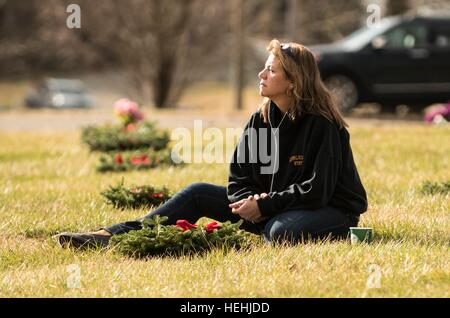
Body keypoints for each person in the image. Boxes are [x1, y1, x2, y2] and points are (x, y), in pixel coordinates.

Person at [55, 39, 367, 248]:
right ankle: (110, 236)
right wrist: (247, 203)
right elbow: (239, 177)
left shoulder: (322, 125)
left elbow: (317, 191)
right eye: (265, 67)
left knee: (279, 233)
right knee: (197, 193)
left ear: (293, 81)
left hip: (329, 209)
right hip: (273, 208)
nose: (261, 74)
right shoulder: (261, 119)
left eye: (271, 70)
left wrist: (264, 206)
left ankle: (339, 232)